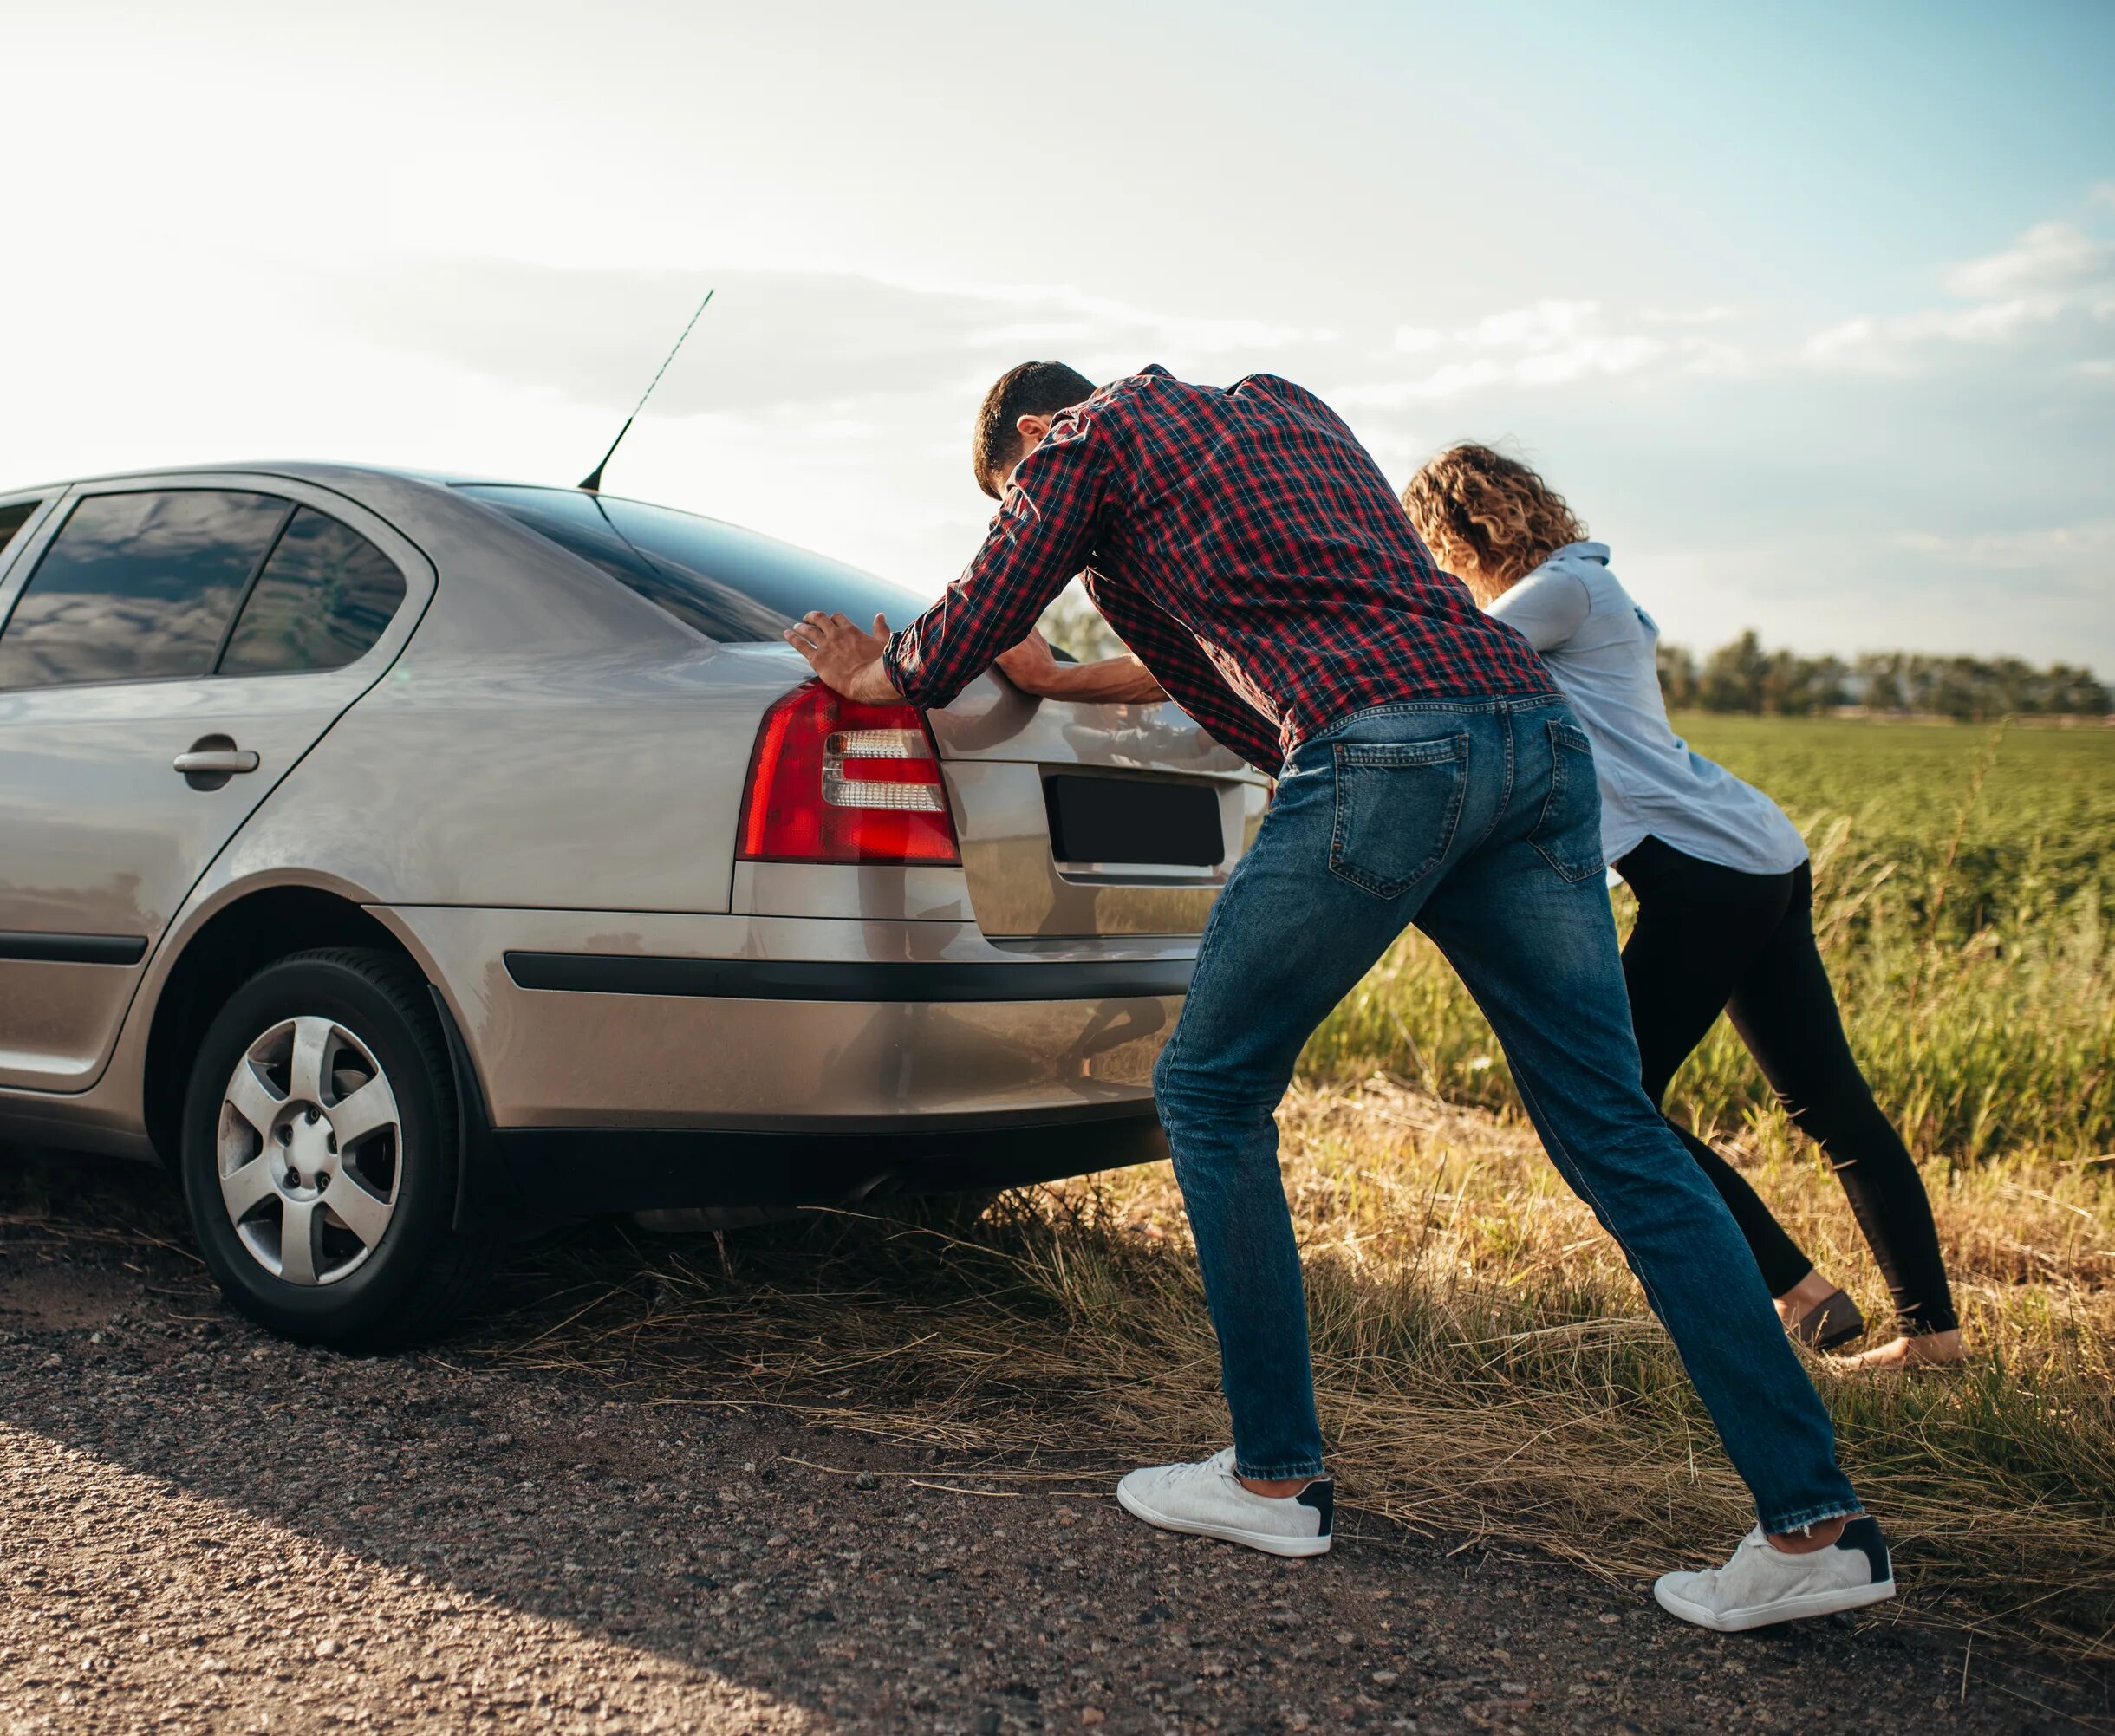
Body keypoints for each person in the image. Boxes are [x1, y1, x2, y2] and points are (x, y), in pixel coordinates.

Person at [784, 361, 1892, 1634]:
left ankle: (1271, 1470)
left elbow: (983, 607)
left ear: (1033, 432)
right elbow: (1242, 660)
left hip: (1385, 742)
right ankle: (1814, 1523)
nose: (1034, 494)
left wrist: (892, 675)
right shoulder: (1285, 403)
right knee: (1616, 1128)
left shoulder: (1084, 437)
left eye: (1016, 478)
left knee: (1207, 1085)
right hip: (1533, 736)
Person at [1398, 443, 1965, 1371]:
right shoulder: (1578, 584)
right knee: (1826, 1102)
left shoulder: (1559, 591)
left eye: (1434, 545)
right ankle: (1924, 1331)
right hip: (1749, 855)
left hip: (1705, 870)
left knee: (1605, 1096)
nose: (1438, 565)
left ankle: (1802, 1294)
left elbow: (1448, 660)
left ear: (1460, 530)